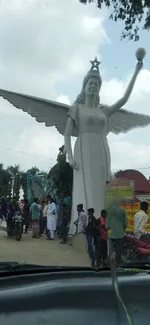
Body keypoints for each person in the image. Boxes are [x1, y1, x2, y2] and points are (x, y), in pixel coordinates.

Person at [64, 58, 143, 237]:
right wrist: (70, 156)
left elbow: (123, 99)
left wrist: (136, 72)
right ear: (84, 87)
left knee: (102, 186)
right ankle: (82, 228)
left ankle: (102, 225)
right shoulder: (76, 108)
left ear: (99, 89)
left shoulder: (104, 111)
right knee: (88, 186)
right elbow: (67, 134)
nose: (93, 87)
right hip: (84, 148)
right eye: (90, 84)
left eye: (96, 85)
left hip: (102, 148)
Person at [106, 200, 128, 266]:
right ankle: (118, 261)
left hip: (111, 233)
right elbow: (125, 223)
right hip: (120, 233)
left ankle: (110, 262)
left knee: (110, 248)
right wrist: (123, 229)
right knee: (119, 249)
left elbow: (108, 225)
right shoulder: (123, 210)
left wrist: (106, 228)